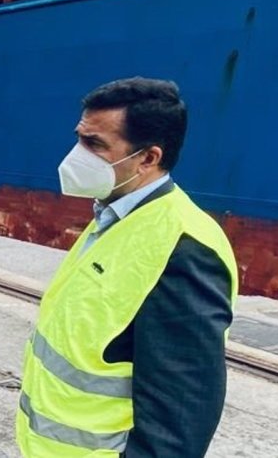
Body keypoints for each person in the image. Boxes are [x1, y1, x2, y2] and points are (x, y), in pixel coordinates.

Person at [16, 78, 238, 457]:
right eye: (80, 138)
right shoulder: (113, 212)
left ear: (148, 158)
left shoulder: (184, 248)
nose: (77, 155)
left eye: (95, 145)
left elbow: (179, 420)